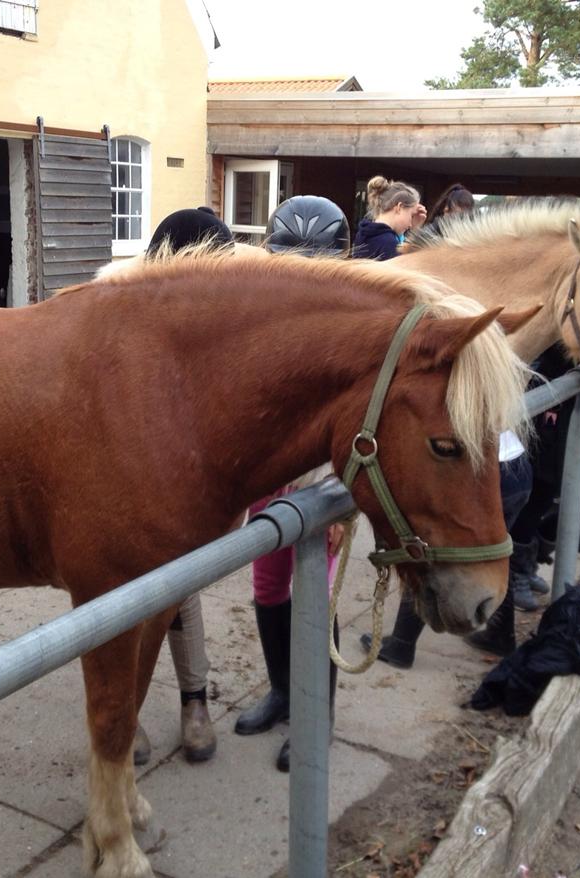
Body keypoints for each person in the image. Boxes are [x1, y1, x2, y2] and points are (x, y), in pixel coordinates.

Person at [234, 195, 349, 773]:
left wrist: (339, 502)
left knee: (316, 596)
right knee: (268, 586)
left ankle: (317, 714)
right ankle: (282, 690)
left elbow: (355, 416)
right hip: (270, 477)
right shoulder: (260, 315)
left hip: (322, 482)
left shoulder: (351, 325)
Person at [127, 207, 233, 765]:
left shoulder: (214, 322)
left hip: (184, 483)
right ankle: (126, 711)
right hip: (132, 480)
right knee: (121, 598)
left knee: (181, 589)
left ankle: (195, 701)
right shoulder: (131, 314)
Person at [358, 430, 534, 666]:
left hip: (486, 473)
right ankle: (500, 636)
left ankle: (401, 644)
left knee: (430, 551)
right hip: (517, 468)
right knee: (494, 556)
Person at [350, 176, 424, 261]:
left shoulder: (363, 233)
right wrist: (415, 232)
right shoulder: (389, 243)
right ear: (399, 207)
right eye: (411, 216)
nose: (411, 224)